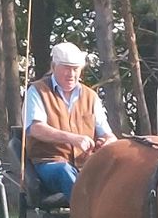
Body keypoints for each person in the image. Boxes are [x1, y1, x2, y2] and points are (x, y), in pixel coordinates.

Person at [23, 41, 117, 200]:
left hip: (85, 165)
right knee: (64, 171)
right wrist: (72, 138)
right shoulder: (37, 91)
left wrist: (106, 143)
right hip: (49, 164)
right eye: (66, 68)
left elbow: (109, 135)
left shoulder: (91, 97)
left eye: (75, 69)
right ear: (53, 67)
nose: (71, 74)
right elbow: (35, 128)